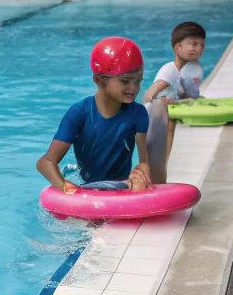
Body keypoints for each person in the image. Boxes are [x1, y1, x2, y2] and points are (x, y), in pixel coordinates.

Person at [36, 37, 152, 194]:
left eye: (138, 81)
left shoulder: (138, 114)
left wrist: (140, 175)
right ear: (99, 81)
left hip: (120, 184)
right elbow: (46, 162)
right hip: (87, 185)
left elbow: (144, 161)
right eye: (126, 81)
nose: (134, 88)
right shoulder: (80, 113)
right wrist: (68, 188)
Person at [143, 21, 206, 164]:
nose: (199, 48)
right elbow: (148, 97)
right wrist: (177, 102)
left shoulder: (190, 71)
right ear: (178, 48)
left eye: (202, 45)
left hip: (168, 122)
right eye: (194, 44)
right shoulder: (170, 71)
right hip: (155, 124)